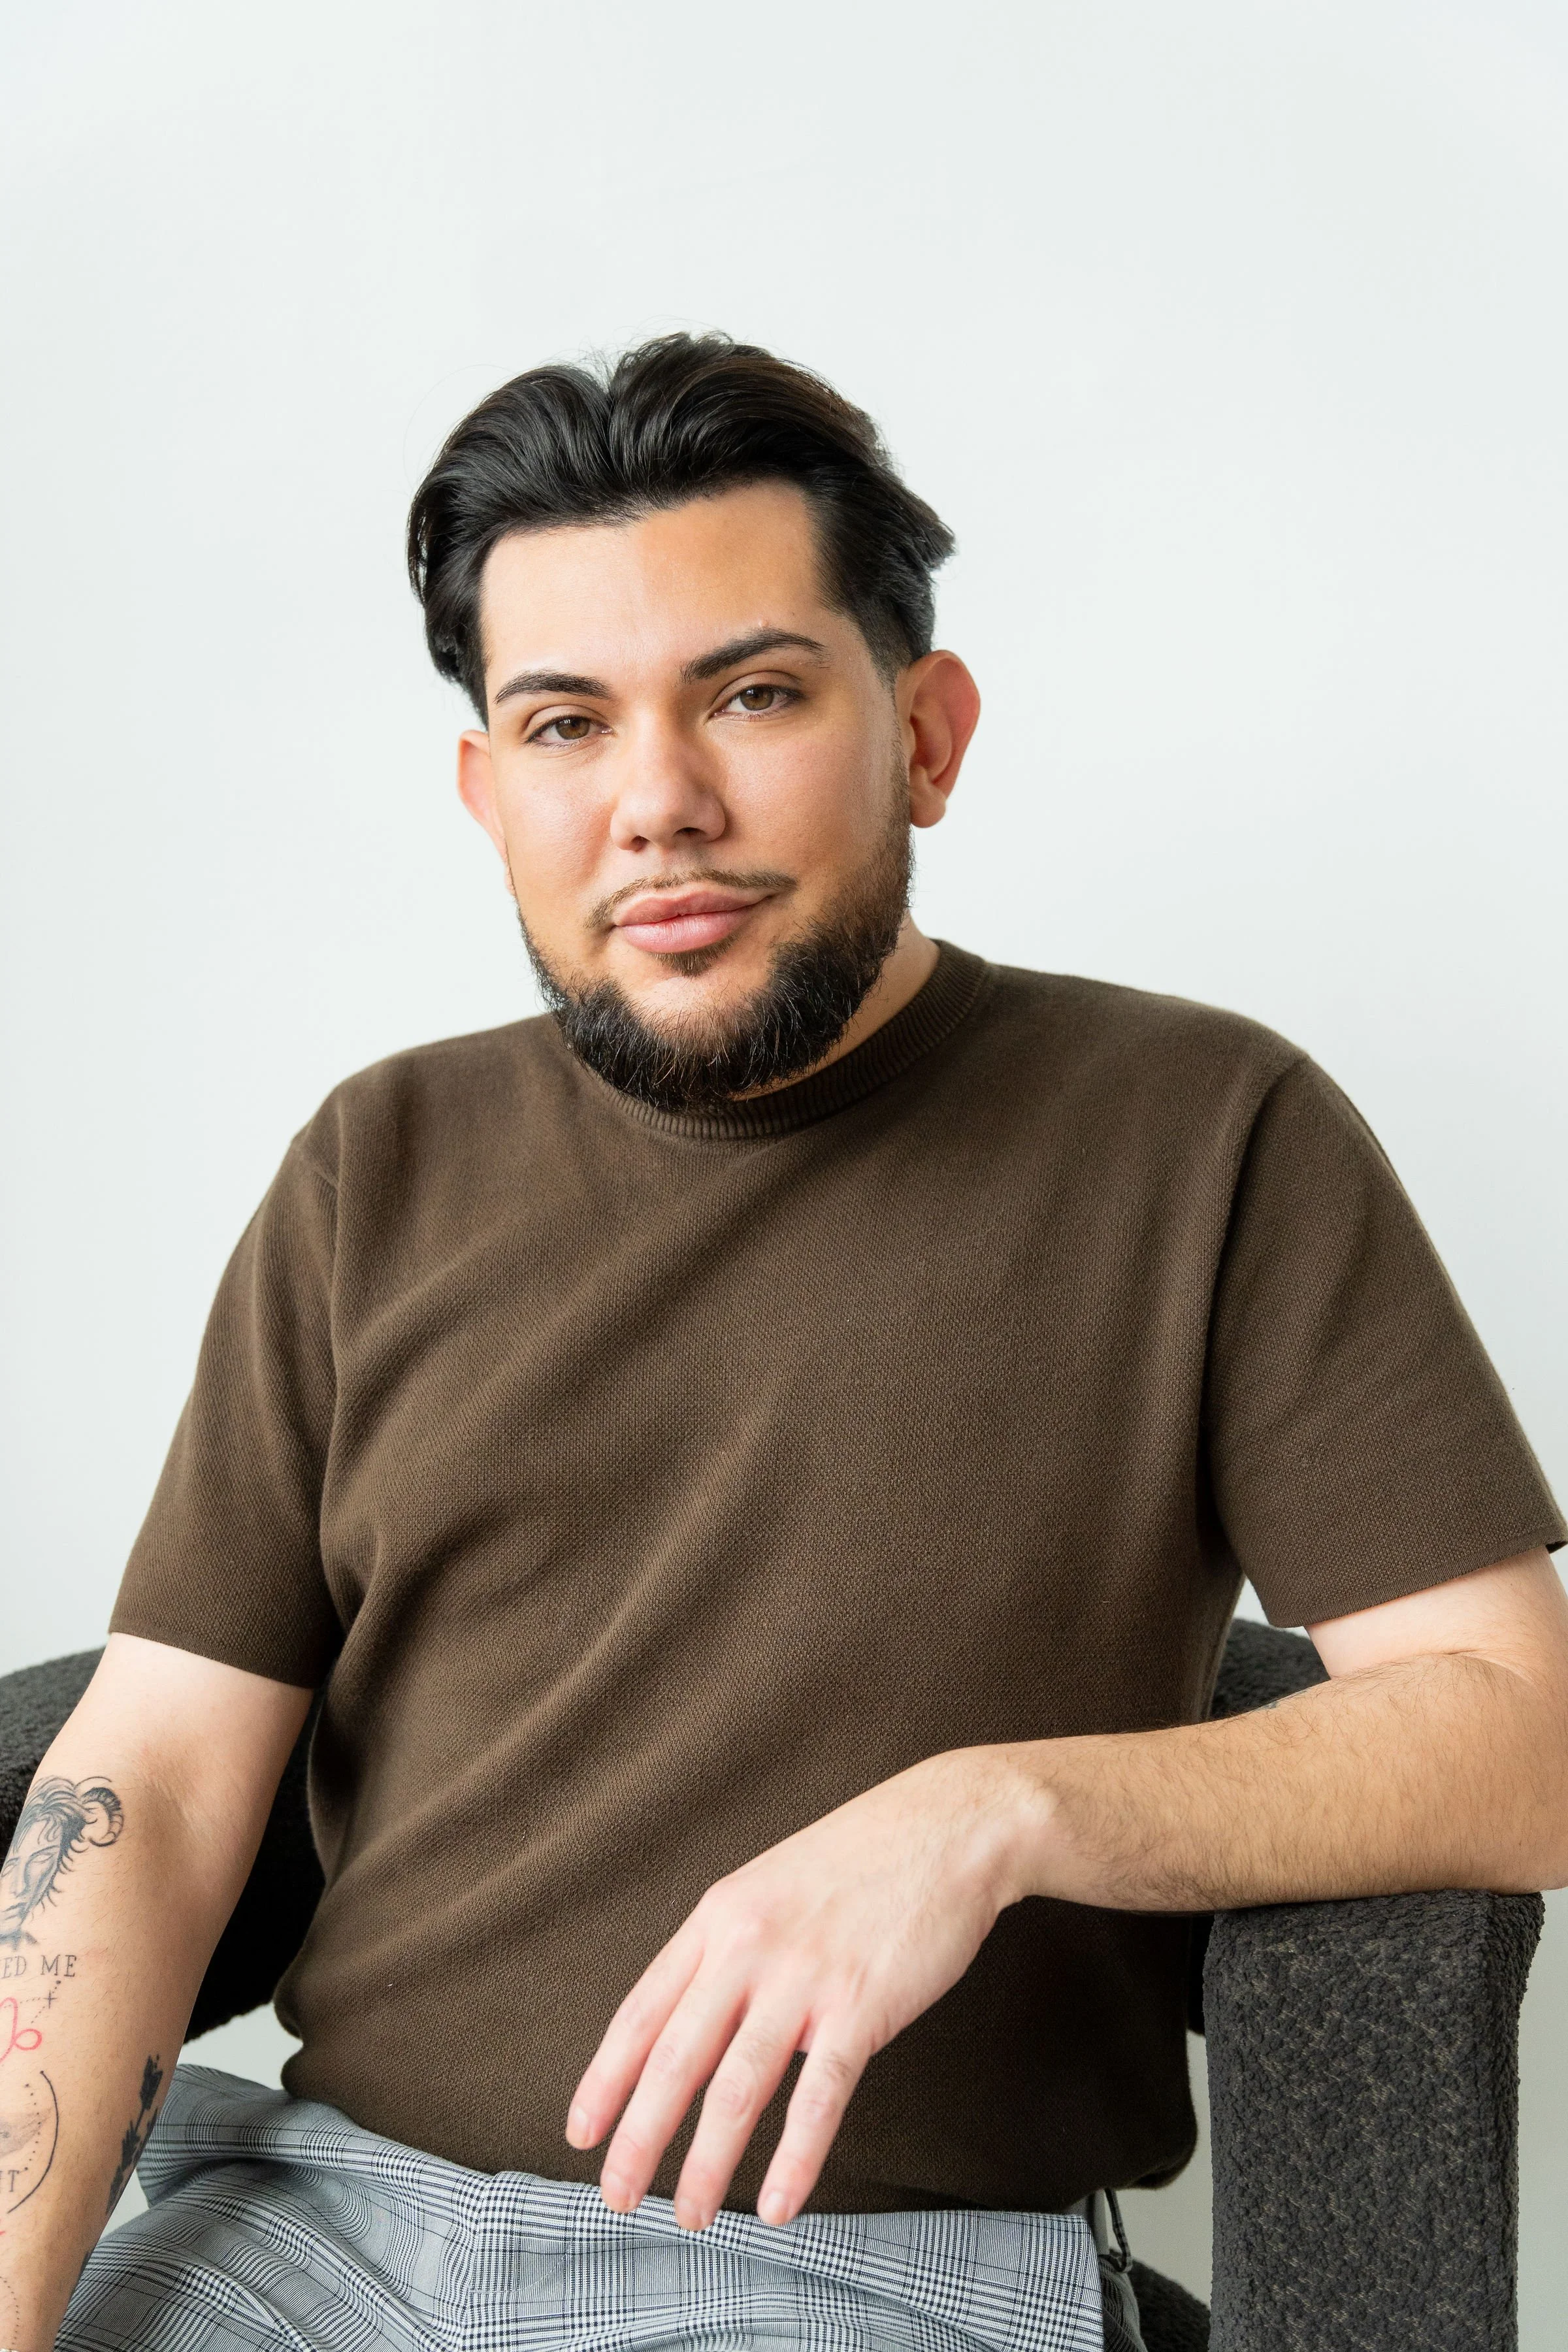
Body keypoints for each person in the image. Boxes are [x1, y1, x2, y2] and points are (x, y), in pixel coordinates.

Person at [2, 334, 1563, 2352]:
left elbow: (1521, 1731)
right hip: (314, 2235)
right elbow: (150, 1788)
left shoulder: (1207, 1135)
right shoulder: (374, 1162)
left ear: (926, 733)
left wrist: (998, 1812)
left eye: (751, 695)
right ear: (490, 795)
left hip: (855, 2282)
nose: (657, 804)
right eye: (565, 724)